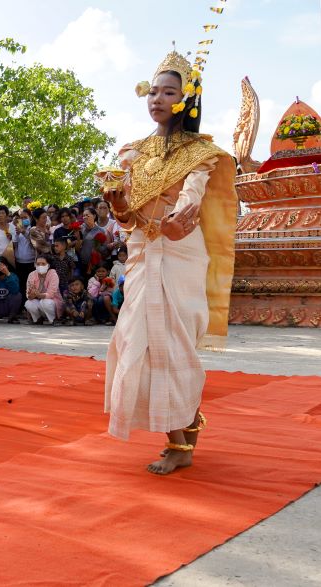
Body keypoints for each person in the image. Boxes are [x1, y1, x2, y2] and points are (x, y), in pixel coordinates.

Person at [103, 49, 237, 474]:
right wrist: (118, 203)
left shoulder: (200, 153)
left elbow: (192, 198)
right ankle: (178, 438)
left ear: (187, 98)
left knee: (173, 343)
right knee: (135, 340)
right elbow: (125, 220)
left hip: (180, 254)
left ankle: (182, 442)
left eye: (168, 92)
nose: (157, 99)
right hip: (144, 255)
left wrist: (181, 216)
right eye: (153, 91)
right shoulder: (132, 153)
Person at [24, 255, 63, 325]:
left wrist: (39, 295)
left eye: (43, 264)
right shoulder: (32, 274)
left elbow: (51, 294)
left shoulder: (53, 274)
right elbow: (28, 294)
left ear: (48, 265)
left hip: (52, 303)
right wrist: (30, 295)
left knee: (45, 302)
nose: (40, 266)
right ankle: (38, 319)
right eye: (38, 264)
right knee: (28, 303)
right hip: (39, 304)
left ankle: (53, 320)